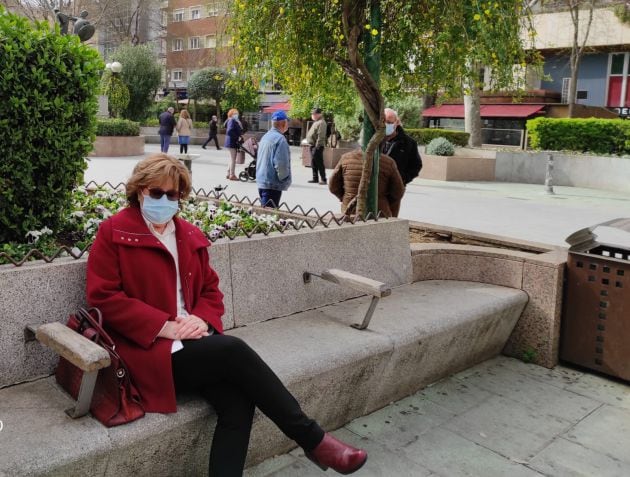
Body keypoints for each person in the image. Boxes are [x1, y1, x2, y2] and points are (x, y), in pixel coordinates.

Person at [85, 153, 367, 476]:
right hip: (148, 353)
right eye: (156, 193)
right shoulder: (114, 232)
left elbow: (211, 292)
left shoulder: (188, 235)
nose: (164, 200)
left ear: (181, 197)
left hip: (194, 345)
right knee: (233, 350)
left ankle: (311, 444)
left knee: (238, 403)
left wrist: (200, 320)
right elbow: (103, 297)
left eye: (172, 194)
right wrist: (164, 327)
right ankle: (313, 439)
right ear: (139, 192)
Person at [329, 149, 405, 218]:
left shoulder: (346, 158)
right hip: (379, 212)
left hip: (350, 210)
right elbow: (398, 192)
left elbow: (333, 186)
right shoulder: (388, 162)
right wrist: (384, 201)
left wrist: (346, 197)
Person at [381, 108, 422, 216]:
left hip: (394, 190)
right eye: (384, 122)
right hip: (376, 188)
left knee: (390, 219)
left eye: (389, 122)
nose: (386, 125)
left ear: (397, 122)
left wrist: (402, 180)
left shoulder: (409, 143)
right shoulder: (374, 140)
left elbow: (416, 166)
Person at [256, 110, 292, 208]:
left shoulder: (265, 137)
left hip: (262, 180)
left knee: (265, 213)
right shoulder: (280, 139)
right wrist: (284, 179)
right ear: (283, 123)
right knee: (268, 216)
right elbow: (281, 164)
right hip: (272, 184)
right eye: (287, 122)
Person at [305, 107, 327, 185]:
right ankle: (315, 178)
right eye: (312, 114)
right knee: (313, 162)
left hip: (317, 146)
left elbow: (321, 136)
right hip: (312, 145)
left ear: (319, 114)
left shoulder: (321, 122)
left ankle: (324, 179)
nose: (312, 115)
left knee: (319, 162)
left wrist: (317, 146)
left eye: (314, 114)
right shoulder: (316, 122)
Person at [224, 108, 243, 181]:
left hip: (231, 142)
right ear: (231, 114)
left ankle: (229, 173)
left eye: (237, 113)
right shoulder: (232, 120)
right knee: (233, 159)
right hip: (232, 142)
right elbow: (229, 131)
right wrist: (237, 137)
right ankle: (232, 175)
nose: (236, 115)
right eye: (235, 113)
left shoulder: (234, 121)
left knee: (232, 159)